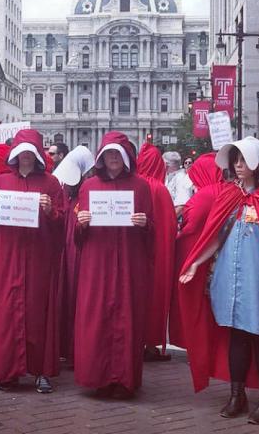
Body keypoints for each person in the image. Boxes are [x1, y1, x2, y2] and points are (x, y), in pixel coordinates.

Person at [178, 137, 259, 424]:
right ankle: (236, 395)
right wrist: (196, 262)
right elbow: (215, 236)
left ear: (256, 164)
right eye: (234, 160)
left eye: (243, 160)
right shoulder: (228, 195)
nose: (238, 166)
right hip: (230, 276)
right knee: (235, 336)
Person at [0, 129, 65, 393]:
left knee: (37, 312)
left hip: (38, 255)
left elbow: (62, 222)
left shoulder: (51, 183)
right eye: (21, 151)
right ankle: (7, 371)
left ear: (37, 154)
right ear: (16, 154)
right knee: (6, 311)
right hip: (7, 254)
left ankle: (41, 371)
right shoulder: (2, 181)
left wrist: (51, 211)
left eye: (30, 151)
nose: (26, 156)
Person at [74, 132, 152, 399]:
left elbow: (151, 233)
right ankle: (100, 376)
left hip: (129, 262)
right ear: (101, 157)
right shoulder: (88, 186)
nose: (113, 159)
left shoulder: (141, 187)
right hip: (97, 264)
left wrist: (144, 224)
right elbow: (78, 237)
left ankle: (124, 378)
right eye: (109, 154)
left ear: (126, 157)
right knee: (98, 316)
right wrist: (80, 222)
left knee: (127, 316)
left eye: (118, 154)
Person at [168, 152, 221, 349]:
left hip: (198, 254)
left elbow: (191, 225)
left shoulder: (205, 195)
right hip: (214, 255)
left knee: (199, 303)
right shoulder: (223, 190)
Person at [51, 145, 95, 367]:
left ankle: (79, 348)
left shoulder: (91, 192)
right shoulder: (67, 193)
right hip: (64, 254)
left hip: (82, 255)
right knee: (65, 297)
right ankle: (65, 346)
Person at [137, 142, 179, 361]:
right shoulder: (159, 189)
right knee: (154, 298)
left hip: (135, 254)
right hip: (157, 254)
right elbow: (169, 226)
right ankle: (151, 345)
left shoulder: (133, 185)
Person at [162, 150, 195, 217]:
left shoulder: (181, 178)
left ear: (167, 164)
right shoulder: (170, 176)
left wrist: (169, 220)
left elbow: (181, 206)